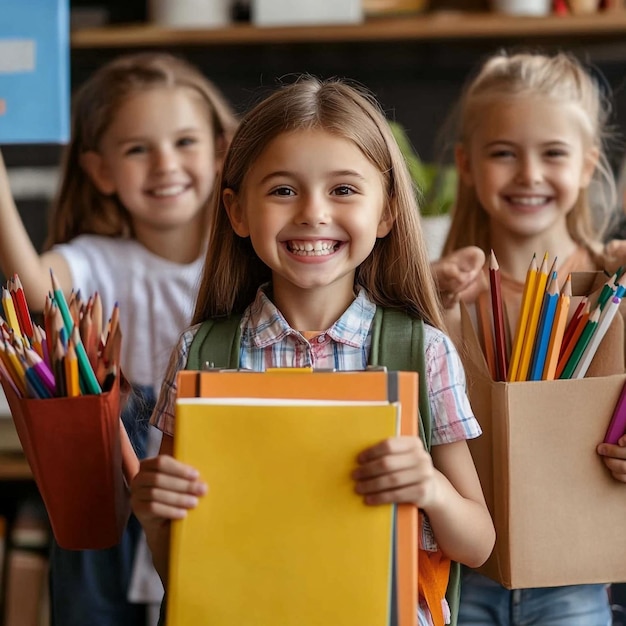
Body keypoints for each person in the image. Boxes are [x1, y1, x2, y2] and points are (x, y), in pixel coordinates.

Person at [129, 75, 496, 626]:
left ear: (387, 212)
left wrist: (432, 490)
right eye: (282, 190)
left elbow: (478, 545)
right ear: (237, 212)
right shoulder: (202, 352)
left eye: (344, 190)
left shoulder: (423, 350)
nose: (312, 212)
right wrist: (153, 512)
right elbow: (178, 568)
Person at [0, 52, 238, 626]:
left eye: (184, 142)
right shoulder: (97, 261)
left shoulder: (244, 255)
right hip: (116, 463)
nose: (165, 164)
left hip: (212, 467)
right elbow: (35, 287)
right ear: (101, 171)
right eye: (137, 149)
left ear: (221, 151)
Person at [442, 50, 626, 626]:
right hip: (459, 575)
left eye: (553, 153)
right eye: (504, 153)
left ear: (589, 164)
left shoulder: (614, 286)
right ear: (466, 165)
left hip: (575, 576)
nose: (529, 174)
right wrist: (430, 295)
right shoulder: (446, 292)